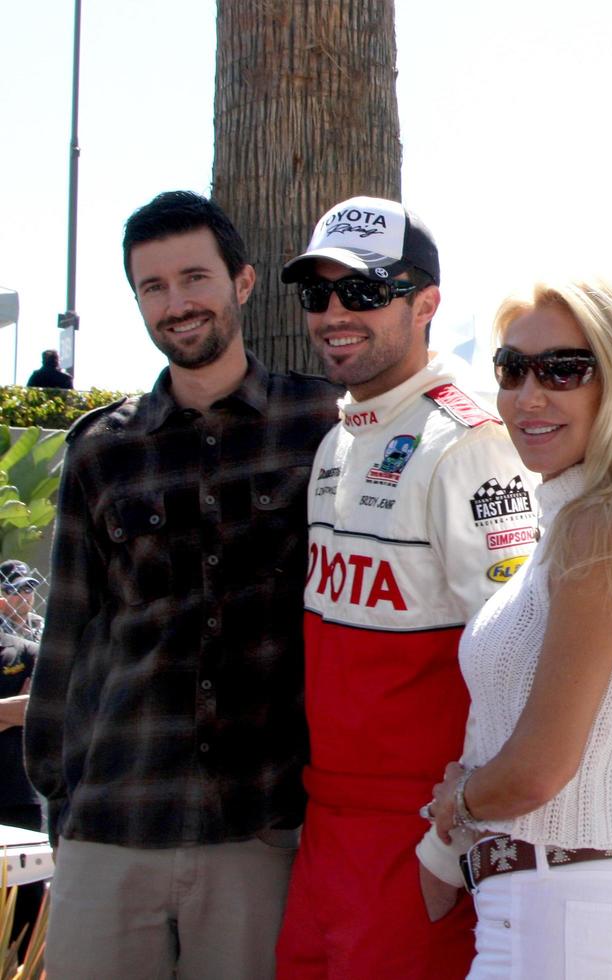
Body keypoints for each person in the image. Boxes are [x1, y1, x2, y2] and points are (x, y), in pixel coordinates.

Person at [24, 190, 339, 980]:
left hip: (259, 830)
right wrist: (58, 798)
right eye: (152, 287)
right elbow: (67, 634)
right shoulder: (100, 449)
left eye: (194, 277)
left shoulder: (324, 426)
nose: (176, 303)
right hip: (111, 824)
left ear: (242, 282)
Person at [275, 196, 539, 979]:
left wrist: (440, 851)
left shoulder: (469, 443)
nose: (332, 314)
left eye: (362, 291)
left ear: (426, 304)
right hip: (324, 830)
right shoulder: (334, 440)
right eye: (317, 293)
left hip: (417, 835)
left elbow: (520, 663)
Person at [422, 277, 612, 979]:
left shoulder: (602, 529)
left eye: (563, 370)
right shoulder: (582, 526)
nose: (529, 395)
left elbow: (540, 770)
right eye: (512, 369)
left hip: (563, 918)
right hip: (565, 909)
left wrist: (453, 804)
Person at [0, 630, 45, 959]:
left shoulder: (26, 652)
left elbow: (41, 707)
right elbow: (21, 710)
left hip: (18, 799)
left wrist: (25, 707)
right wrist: (9, 710)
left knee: (25, 918)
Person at [0, 561, 44, 642]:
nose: (23, 596)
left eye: (28, 588)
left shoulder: (41, 624)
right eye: (15, 590)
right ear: (2, 594)